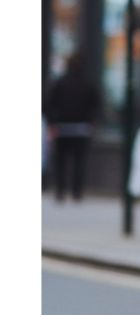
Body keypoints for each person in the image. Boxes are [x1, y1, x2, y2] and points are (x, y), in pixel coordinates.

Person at [44, 51, 100, 202]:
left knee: (61, 161)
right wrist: (91, 122)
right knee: (78, 162)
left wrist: (52, 123)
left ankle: (61, 191)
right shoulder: (87, 84)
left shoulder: (60, 83)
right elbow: (95, 105)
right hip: (81, 129)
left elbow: (49, 104)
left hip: (62, 128)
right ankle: (76, 192)